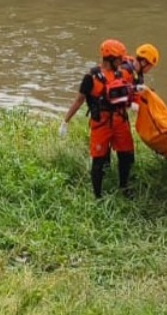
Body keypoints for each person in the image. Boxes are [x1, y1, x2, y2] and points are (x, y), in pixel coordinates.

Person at [59, 39, 137, 199]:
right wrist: (65, 121)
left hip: (120, 120)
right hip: (101, 123)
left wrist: (136, 102)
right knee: (98, 159)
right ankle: (97, 196)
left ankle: (124, 187)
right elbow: (79, 100)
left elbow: (132, 90)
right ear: (110, 59)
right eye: (119, 59)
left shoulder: (122, 74)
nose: (121, 62)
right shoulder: (91, 78)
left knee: (125, 155)